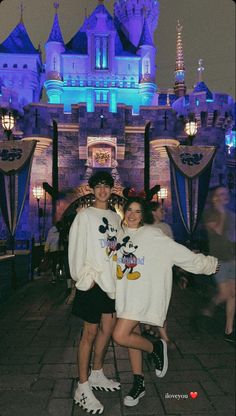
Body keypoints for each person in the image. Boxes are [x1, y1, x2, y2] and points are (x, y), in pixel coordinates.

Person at [112, 197, 219, 407]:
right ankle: (138, 383)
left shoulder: (153, 235)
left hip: (142, 295)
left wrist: (208, 264)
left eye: (138, 211)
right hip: (125, 295)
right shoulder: (119, 235)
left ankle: (155, 347)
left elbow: (178, 253)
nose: (132, 215)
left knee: (120, 335)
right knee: (131, 336)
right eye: (129, 211)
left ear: (144, 216)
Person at [68, 171, 121, 414]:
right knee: (89, 333)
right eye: (98, 186)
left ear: (111, 189)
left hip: (110, 283)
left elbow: (116, 249)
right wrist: (81, 276)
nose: (102, 190)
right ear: (92, 189)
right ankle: (82, 385)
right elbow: (76, 245)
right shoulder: (85, 215)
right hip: (92, 282)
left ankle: (97, 372)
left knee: (107, 330)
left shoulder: (114, 216)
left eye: (106, 186)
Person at [202, 186, 235, 343]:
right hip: (218, 260)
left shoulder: (232, 215)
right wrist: (221, 213)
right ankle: (209, 307)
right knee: (224, 294)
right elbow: (219, 231)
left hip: (232, 259)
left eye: (225, 193)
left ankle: (229, 330)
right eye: (220, 194)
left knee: (233, 294)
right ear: (214, 198)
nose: (224, 196)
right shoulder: (210, 214)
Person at [142, 201, 174, 344]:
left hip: (162, 271)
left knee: (160, 303)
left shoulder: (165, 227)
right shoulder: (144, 228)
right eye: (161, 209)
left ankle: (153, 331)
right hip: (147, 272)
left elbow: (172, 249)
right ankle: (163, 336)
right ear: (153, 212)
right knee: (152, 301)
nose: (164, 212)